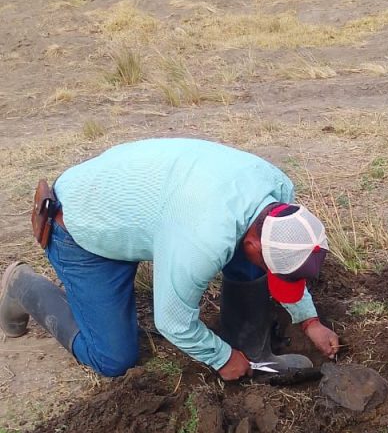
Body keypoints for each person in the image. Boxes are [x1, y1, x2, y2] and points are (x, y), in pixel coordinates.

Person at [0, 138, 339, 381]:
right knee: (113, 359)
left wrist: (309, 320)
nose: (270, 272)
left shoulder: (277, 192)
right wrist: (220, 358)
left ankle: (250, 352)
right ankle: (22, 286)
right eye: (270, 267)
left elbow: (282, 260)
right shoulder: (203, 238)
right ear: (252, 240)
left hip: (143, 208)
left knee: (251, 261)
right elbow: (172, 322)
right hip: (84, 227)